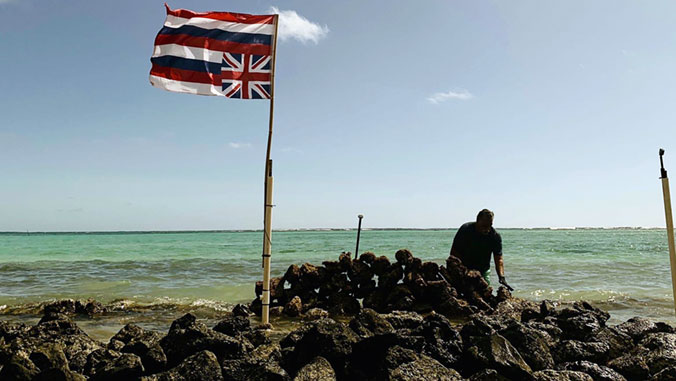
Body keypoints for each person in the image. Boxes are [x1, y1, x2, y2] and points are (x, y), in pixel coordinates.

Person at [449, 209, 508, 287]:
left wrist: (501, 276)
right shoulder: (466, 230)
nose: (487, 229)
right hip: (464, 268)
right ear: (477, 221)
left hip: (483, 270)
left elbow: (498, 259)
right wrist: (460, 270)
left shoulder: (495, 236)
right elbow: (454, 253)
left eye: (489, 225)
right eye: (484, 226)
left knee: (486, 290)